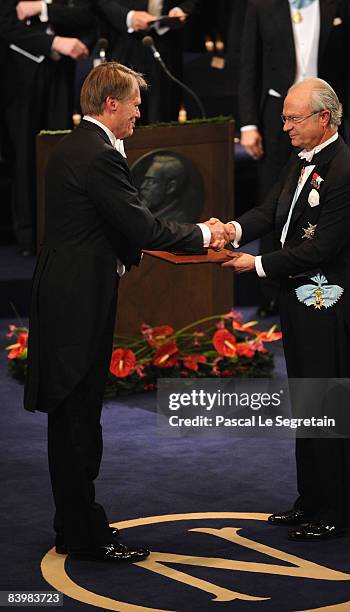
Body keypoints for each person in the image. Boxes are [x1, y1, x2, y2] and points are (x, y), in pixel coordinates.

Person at [24, 61, 224, 562]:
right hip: (76, 304)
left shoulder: (79, 145)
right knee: (77, 419)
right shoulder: (96, 154)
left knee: (75, 418)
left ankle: (75, 524)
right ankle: (82, 534)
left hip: (67, 296)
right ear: (110, 103)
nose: (140, 110)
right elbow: (144, 228)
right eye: (134, 102)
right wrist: (204, 233)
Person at [210, 77, 350, 540]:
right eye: (283, 118)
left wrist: (256, 263)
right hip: (299, 305)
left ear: (324, 119)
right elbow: (271, 211)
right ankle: (311, 501)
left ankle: (336, 513)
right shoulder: (300, 161)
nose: (284, 127)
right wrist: (233, 230)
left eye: (292, 118)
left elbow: (320, 250)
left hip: (328, 309)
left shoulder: (348, 175)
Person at [239, 0, 350, 316]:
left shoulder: (340, 6)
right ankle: (272, 295)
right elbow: (248, 65)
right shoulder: (261, 6)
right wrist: (248, 123)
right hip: (276, 119)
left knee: (322, 204)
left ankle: (314, 288)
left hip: (322, 117)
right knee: (275, 199)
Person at [0, 0, 95, 255]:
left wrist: (43, 8)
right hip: (19, 74)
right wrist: (53, 42)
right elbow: (6, 23)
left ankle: (57, 232)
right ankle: (29, 236)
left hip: (60, 70)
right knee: (24, 155)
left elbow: (86, 12)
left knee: (58, 151)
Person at [95, 0, 198, 123]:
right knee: (125, 116)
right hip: (123, 42)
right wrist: (128, 16)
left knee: (164, 116)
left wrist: (182, 9)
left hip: (166, 44)